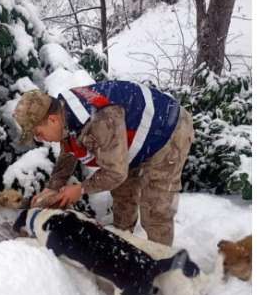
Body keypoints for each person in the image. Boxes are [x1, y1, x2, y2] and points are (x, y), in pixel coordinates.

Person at [12, 80, 193, 246]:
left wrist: (80, 189)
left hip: (168, 132)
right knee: (123, 196)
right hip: (130, 138)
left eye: (38, 133)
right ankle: (123, 246)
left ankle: (161, 264)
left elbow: (115, 173)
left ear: (52, 120)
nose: (40, 139)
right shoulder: (63, 112)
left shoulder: (100, 120)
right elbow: (69, 148)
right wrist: (53, 187)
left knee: (155, 210)